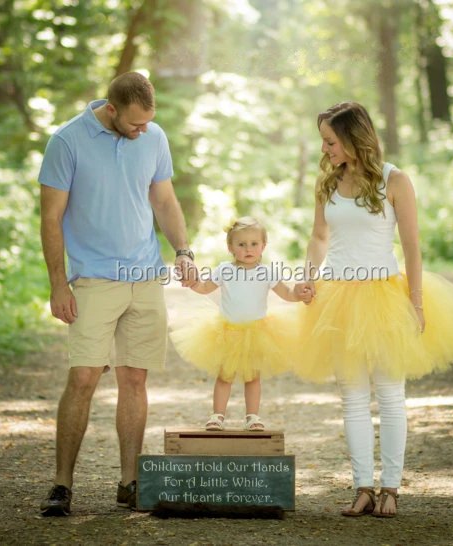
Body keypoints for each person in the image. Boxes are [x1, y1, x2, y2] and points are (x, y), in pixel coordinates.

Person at [293, 102, 453, 518]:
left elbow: (413, 246)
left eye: (330, 141)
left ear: (352, 138)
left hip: (384, 296)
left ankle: (391, 489)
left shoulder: (394, 180)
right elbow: (319, 237)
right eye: (324, 141)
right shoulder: (327, 182)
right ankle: (362, 487)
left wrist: (416, 302)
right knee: (352, 397)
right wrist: (308, 275)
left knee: (390, 394)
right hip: (337, 297)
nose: (325, 149)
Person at [38, 71, 197, 516]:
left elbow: (163, 200)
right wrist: (57, 283)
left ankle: (129, 482)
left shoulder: (153, 135)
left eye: (148, 122)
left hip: (144, 275)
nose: (142, 130)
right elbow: (51, 218)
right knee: (84, 378)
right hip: (93, 279)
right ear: (111, 110)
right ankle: (61, 486)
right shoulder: (66, 141)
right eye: (134, 123)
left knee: (135, 378)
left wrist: (182, 251)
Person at [170, 217, 310, 431]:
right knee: (225, 376)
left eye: (254, 244)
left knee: (252, 377)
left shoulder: (267, 272)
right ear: (231, 247)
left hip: (257, 333)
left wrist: (298, 293)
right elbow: (205, 287)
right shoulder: (225, 269)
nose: (248, 249)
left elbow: (287, 294)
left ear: (263, 246)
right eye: (241, 244)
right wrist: (193, 283)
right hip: (229, 331)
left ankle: (252, 417)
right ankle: (217, 416)